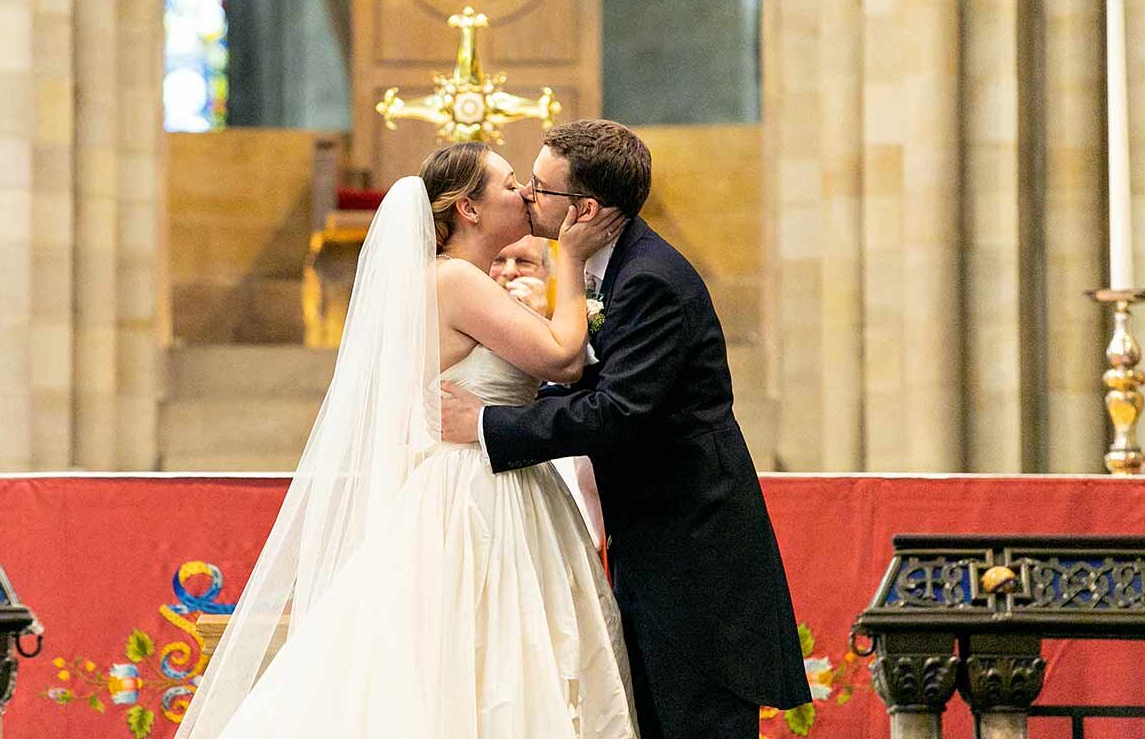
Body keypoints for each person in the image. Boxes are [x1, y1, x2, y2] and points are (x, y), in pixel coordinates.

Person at [178, 142, 636, 739]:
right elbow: (563, 359)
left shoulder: (460, 280)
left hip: (498, 477)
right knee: (483, 660)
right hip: (478, 495)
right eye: (506, 184)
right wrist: (572, 260)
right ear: (468, 210)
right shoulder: (454, 281)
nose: (524, 193)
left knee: (492, 661)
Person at [441, 119, 811, 739]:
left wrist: (485, 422)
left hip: (693, 556)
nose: (529, 196)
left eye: (540, 187)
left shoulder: (649, 280)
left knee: (697, 720)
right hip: (650, 543)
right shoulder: (606, 267)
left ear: (584, 209)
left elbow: (615, 412)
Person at [490, 235, 607, 553]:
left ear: (548, 271)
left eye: (524, 262)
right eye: (498, 260)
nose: (510, 272)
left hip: (559, 459)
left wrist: (538, 325)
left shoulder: (574, 330)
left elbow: (586, 397)